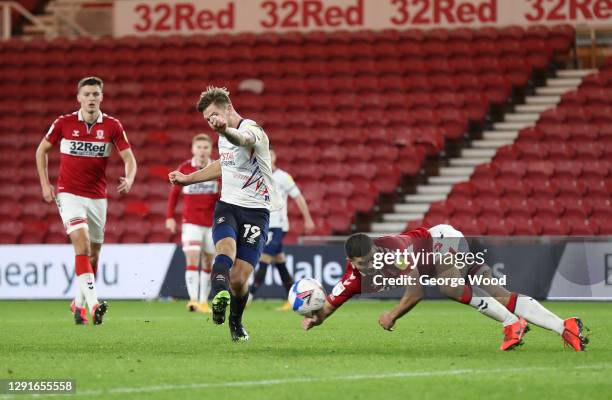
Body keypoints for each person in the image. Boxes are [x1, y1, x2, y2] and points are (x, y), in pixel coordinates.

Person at [302, 224, 589, 351]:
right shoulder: (353, 278)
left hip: (444, 240)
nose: (368, 265)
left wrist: (392, 315)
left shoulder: (394, 251)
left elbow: (415, 293)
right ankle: (564, 327)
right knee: (501, 295)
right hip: (441, 255)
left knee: (449, 288)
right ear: (350, 261)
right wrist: (316, 318)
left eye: (370, 259)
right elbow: (330, 304)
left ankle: (512, 323)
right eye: (360, 263)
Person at [169, 86, 280, 342]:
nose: (211, 122)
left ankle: (235, 321)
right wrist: (188, 179)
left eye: (215, 115)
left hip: (256, 213)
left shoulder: (253, 131)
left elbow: (242, 140)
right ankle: (218, 296)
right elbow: (224, 164)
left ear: (228, 108)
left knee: (240, 279)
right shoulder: (221, 135)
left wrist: (224, 130)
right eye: (208, 119)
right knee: (225, 250)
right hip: (227, 206)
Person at [35, 76, 137, 325]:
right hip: (68, 193)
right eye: (87, 94)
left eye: (96, 94)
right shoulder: (64, 123)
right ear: (78, 98)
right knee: (81, 246)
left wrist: (130, 178)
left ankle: (78, 304)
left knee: (93, 255)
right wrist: (44, 184)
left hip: (97, 198)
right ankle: (94, 305)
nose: (91, 98)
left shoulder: (112, 126)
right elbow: (41, 150)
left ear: (102, 97)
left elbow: (129, 159)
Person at [249, 146, 315, 309]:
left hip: (278, 225)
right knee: (280, 261)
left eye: (269, 155)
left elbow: (298, 197)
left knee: (264, 258)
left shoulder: (283, 177)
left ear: (274, 157)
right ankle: (291, 298)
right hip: (263, 224)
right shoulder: (256, 176)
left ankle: (249, 295)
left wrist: (307, 219)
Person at [166, 133, 220, 313]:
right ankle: (193, 300)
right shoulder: (185, 168)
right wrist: (169, 216)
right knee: (192, 258)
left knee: (207, 261)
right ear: (193, 149)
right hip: (191, 223)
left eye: (205, 147)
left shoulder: (216, 168)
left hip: (212, 223)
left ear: (210, 149)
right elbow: (174, 194)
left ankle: (204, 302)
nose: (202, 151)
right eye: (199, 147)